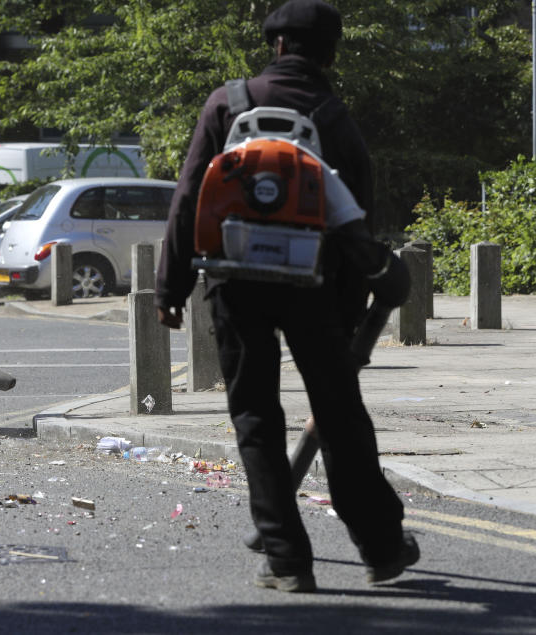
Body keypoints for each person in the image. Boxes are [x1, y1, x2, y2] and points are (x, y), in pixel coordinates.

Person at [156, 0, 418, 592]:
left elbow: (190, 196)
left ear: (275, 47)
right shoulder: (333, 117)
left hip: (234, 280)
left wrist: (169, 288)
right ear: (330, 55)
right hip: (316, 285)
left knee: (256, 417)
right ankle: (380, 549)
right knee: (341, 418)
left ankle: (287, 559)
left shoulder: (229, 103)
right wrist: (350, 317)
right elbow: (358, 220)